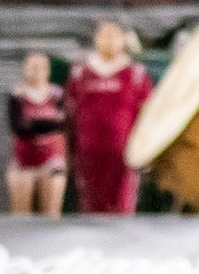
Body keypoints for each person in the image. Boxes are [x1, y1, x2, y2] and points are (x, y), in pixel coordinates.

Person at [65, 20, 154, 214]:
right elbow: (69, 116)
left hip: (124, 153)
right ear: (96, 39)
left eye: (114, 35)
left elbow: (148, 114)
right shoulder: (80, 73)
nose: (109, 40)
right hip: (88, 152)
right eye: (105, 35)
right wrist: (68, 152)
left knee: (122, 205)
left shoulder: (136, 74)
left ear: (123, 40)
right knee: (91, 205)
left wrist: (147, 150)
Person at [6, 51, 68, 217]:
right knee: (21, 214)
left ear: (47, 70)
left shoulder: (57, 95)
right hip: (24, 160)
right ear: (25, 70)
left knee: (51, 214)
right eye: (32, 67)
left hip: (52, 159)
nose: (37, 71)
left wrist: (33, 124)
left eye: (41, 67)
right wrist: (47, 124)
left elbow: (61, 126)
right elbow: (18, 128)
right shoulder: (17, 95)